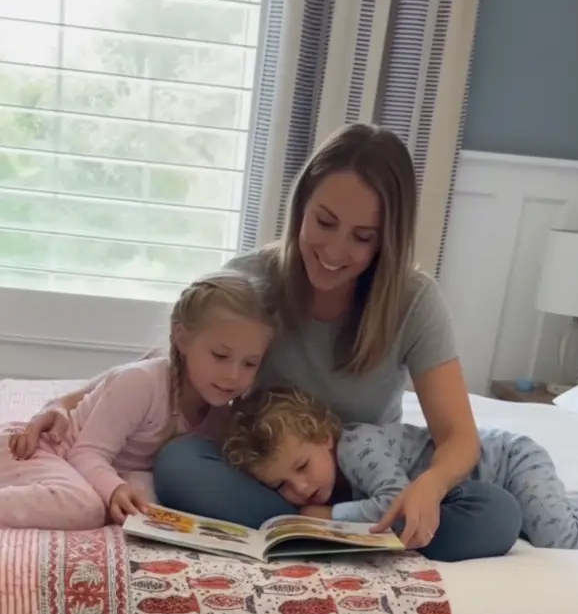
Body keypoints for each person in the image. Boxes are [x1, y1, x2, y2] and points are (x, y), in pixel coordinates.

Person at [152, 123, 522, 561]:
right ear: (302, 207)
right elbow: (177, 365)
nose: (334, 250)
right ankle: (327, 532)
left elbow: (458, 437)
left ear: (386, 241)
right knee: (179, 463)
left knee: (496, 513)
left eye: (362, 237)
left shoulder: (413, 301)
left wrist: (429, 485)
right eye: (324, 222)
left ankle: (311, 527)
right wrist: (71, 408)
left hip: (374, 485)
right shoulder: (253, 279)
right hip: (275, 477)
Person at [0, 272, 276, 564]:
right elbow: (88, 452)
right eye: (221, 356)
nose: (233, 375)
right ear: (183, 338)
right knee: (86, 508)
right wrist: (110, 489)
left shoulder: (221, 410)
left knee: (154, 505)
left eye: (250, 363)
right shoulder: (144, 383)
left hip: (87, 466)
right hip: (31, 456)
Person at [224, 385, 578, 553]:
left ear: (324, 436)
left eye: (302, 466)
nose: (300, 488)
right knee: (539, 520)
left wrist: (328, 515)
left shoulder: (355, 448)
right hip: (486, 489)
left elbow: (397, 502)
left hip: (509, 461)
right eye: (282, 485)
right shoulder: (326, 472)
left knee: (558, 537)